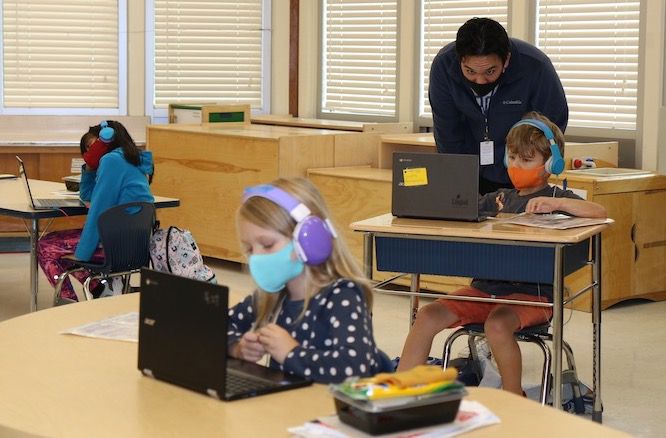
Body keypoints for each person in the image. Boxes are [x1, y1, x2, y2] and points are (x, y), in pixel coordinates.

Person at [396, 113, 606, 396]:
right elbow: (455, 209)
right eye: (513, 158)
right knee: (428, 315)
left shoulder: (558, 197)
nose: (517, 166)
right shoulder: (499, 198)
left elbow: (600, 213)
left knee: (496, 325)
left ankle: (512, 398)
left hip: (532, 297)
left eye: (527, 160)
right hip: (483, 291)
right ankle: (400, 394)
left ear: (551, 164)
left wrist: (557, 203)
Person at [228, 177, 392, 383]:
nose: (256, 258)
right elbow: (213, 325)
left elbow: (355, 367)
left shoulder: (342, 295)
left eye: (267, 245)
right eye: (249, 249)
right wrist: (238, 347)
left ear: (309, 238)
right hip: (291, 407)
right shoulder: (271, 297)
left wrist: (291, 353)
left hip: (332, 410)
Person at [429, 17, 568, 194]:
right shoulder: (444, 66)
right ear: (459, 61)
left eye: (490, 71)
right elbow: (447, 133)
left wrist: (525, 173)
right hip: (470, 171)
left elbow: (550, 130)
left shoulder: (536, 67)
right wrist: (462, 184)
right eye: (470, 71)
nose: (479, 80)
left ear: (506, 60)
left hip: (522, 175)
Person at [38, 121, 155, 301]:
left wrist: (83, 254)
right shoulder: (128, 158)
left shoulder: (112, 161)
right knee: (57, 250)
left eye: (93, 147)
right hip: (134, 242)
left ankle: (71, 304)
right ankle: (100, 289)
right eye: (86, 149)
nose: (88, 153)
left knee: (46, 246)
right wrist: (90, 168)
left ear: (107, 140)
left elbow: (98, 211)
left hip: (115, 244)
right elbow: (89, 196)